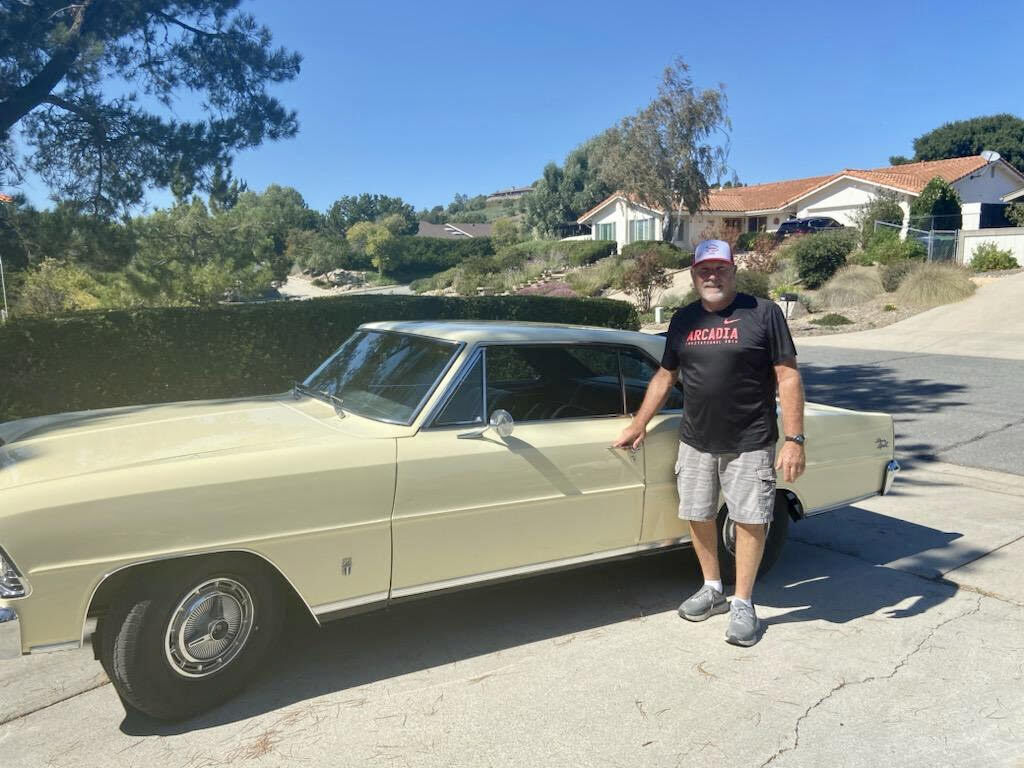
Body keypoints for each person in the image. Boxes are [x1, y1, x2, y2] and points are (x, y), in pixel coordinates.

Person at [613, 238, 806, 646]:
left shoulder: (763, 313)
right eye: (704, 270)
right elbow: (666, 375)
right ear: (694, 275)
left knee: (750, 519)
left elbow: (787, 376)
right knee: (698, 513)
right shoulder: (684, 319)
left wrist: (794, 439)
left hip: (750, 439)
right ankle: (713, 588)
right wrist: (639, 422)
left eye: (720, 269)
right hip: (696, 440)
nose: (712, 276)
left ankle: (743, 603)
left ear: (733, 271)